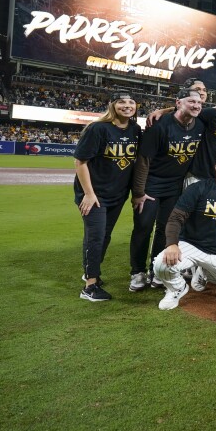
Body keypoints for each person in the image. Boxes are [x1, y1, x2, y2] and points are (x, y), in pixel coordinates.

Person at [152, 150, 216, 310]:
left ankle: (204, 271)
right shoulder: (199, 188)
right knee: (161, 265)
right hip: (192, 245)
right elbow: (176, 218)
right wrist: (172, 244)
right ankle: (177, 288)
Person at [129, 88, 205, 291]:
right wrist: (138, 192)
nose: (196, 106)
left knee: (165, 229)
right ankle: (137, 272)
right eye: (191, 102)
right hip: (151, 184)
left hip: (175, 186)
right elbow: (144, 160)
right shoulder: (159, 125)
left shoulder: (200, 124)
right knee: (143, 228)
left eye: (199, 103)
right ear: (179, 103)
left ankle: (157, 271)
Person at [75, 92, 141, 301]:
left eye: (131, 102)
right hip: (94, 195)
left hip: (117, 194)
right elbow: (80, 161)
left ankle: (91, 272)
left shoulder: (135, 130)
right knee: (95, 237)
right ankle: (90, 286)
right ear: (112, 105)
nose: (127, 105)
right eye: (122, 101)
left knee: (105, 236)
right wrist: (88, 193)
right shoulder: (98, 128)